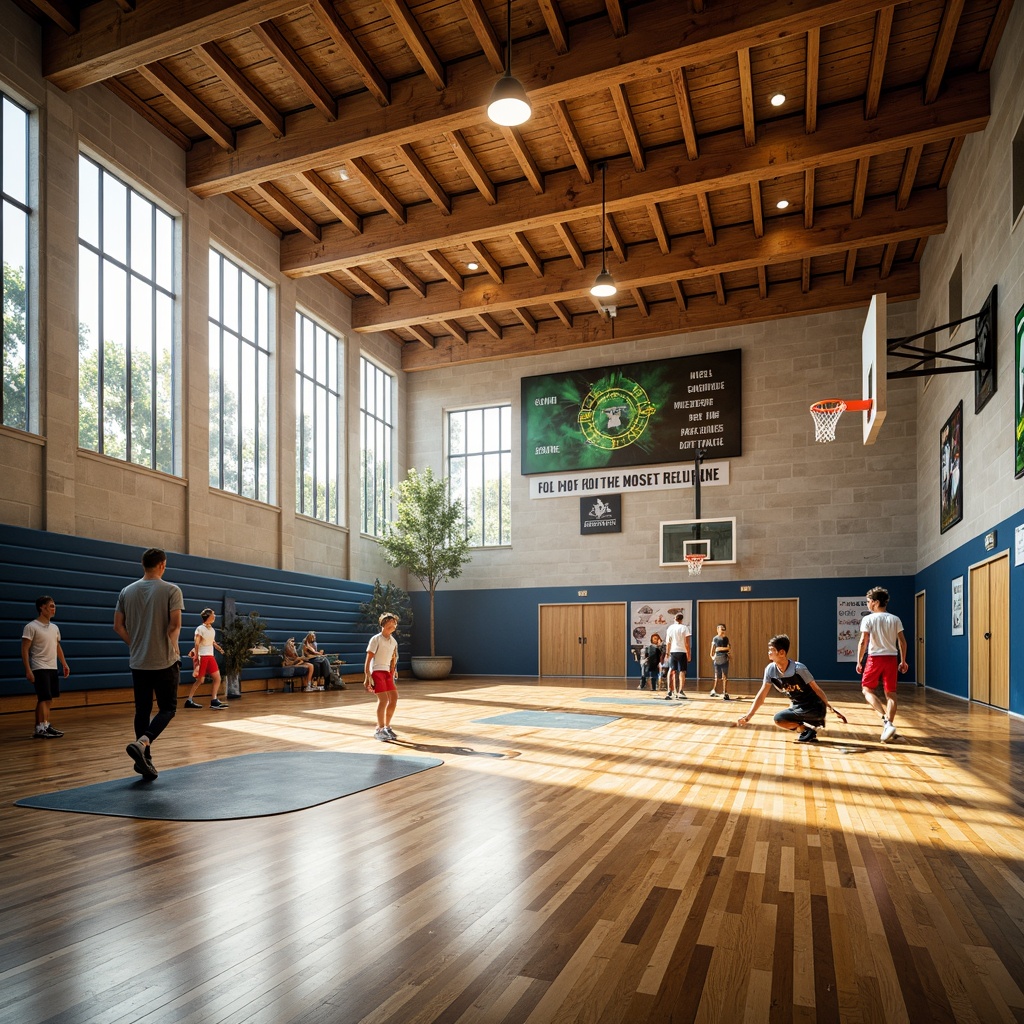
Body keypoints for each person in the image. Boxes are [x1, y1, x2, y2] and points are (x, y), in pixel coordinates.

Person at [113, 547, 183, 780]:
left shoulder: (126, 591)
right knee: (168, 709)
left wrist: (135, 644)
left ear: (143, 565)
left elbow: (118, 626)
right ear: (162, 565)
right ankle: (143, 743)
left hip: (138, 661)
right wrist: (174, 647)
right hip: (164, 660)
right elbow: (174, 625)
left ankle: (145, 761)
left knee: (142, 710)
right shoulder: (172, 590)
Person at [736, 634, 846, 743]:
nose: (769, 652)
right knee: (779, 719)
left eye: (772, 650)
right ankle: (807, 729)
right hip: (797, 706)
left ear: (782, 652)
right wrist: (748, 716)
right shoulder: (770, 670)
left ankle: (812, 725)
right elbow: (762, 695)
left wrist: (831, 708)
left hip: (814, 708)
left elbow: (817, 689)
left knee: (781, 717)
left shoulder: (799, 669)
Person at [856, 586, 909, 743]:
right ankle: (890, 724)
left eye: (868, 601)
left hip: (874, 659)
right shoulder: (895, 619)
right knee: (891, 694)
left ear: (875, 602)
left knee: (867, 690)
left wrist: (859, 661)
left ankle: (885, 721)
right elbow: (903, 642)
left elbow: (862, 642)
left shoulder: (868, 619)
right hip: (891, 659)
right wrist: (903, 660)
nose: (867, 604)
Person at [21, 595, 70, 739]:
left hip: (52, 666)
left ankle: (44, 725)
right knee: (43, 697)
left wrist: (64, 663)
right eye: (51, 606)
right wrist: (28, 669)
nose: (54, 609)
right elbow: (24, 649)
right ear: (42, 608)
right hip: (39, 667)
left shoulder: (54, 628)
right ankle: (41, 728)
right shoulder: (31, 627)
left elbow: (57, 646)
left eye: (54, 606)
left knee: (48, 698)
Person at [364, 612, 399, 741]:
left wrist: (393, 670)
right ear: (384, 624)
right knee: (383, 700)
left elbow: (393, 657)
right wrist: (367, 677)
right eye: (391, 622)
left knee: (394, 698)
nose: (394, 625)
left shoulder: (393, 641)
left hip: (387, 672)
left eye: (395, 623)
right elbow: (368, 659)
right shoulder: (376, 639)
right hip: (377, 672)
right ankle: (379, 729)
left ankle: (387, 727)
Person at [184, 608, 228, 709]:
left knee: (217, 678)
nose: (214, 616)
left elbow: (212, 641)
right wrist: (196, 657)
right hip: (202, 656)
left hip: (210, 656)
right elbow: (197, 643)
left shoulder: (212, 630)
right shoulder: (200, 629)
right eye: (213, 614)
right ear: (208, 616)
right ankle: (189, 700)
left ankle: (214, 700)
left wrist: (218, 648)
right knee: (200, 680)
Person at [664, 612, 691, 700]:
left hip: (673, 652)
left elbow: (668, 642)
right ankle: (680, 691)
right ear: (681, 619)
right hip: (682, 652)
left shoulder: (670, 628)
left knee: (671, 670)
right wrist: (688, 654)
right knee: (682, 671)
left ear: (675, 619)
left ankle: (669, 691)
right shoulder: (684, 628)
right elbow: (687, 643)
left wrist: (667, 653)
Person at [708, 623, 732, 699]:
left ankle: (725, 692)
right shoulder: (715, 638)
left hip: (725, 658)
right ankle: (714, 690)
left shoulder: (726, 639)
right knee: (717, 676)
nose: (722, 630)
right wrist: (712, 657)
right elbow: (712, 650)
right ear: (717, 630)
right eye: (721, 629)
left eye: (723, 629)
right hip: (717, 659)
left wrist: (720, 649)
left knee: (725, 676)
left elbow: (728, 648)